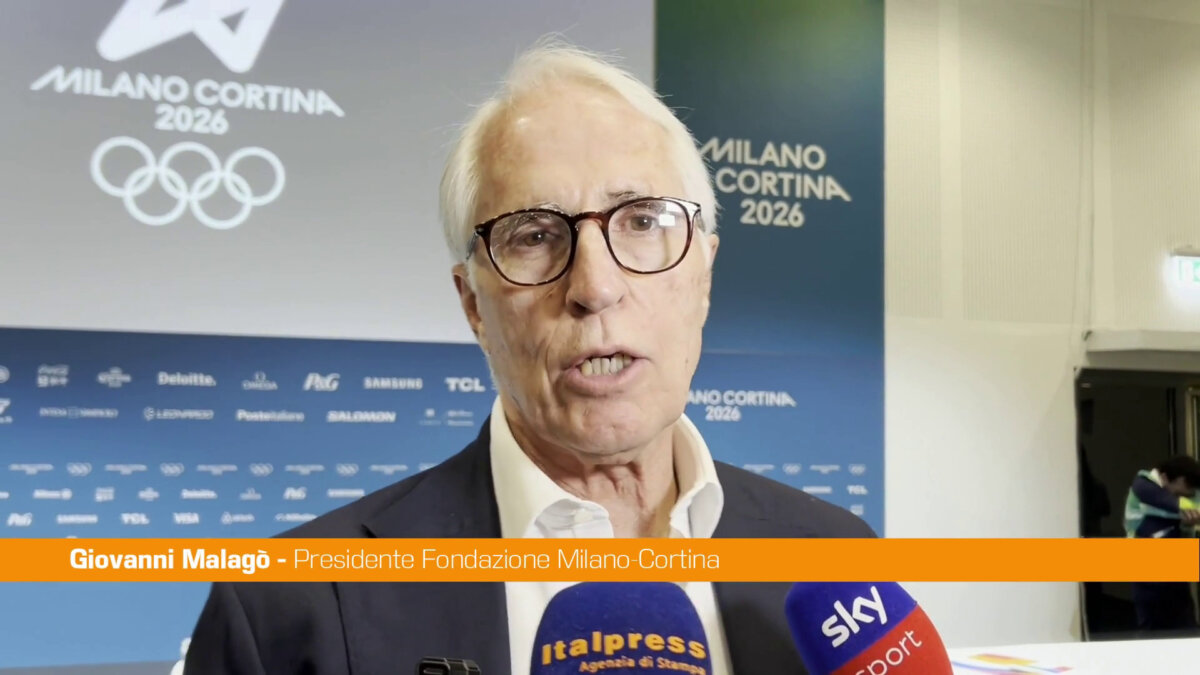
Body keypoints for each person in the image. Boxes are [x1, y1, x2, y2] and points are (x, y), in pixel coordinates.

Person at [184, 41, 873, 675]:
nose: (595, 287)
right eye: (535, 235)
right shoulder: (284, 606)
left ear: (704, 276)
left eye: (642, 221)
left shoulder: (838, 562)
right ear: (473, 305)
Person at [1124, 455, 1200, 637]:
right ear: (1165, 478)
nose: (1183, 497)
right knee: (1152, 635)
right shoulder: (1143, 486)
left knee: (1187, 634)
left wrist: (1188, 525)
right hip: (1146, 574)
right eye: (1180, 492)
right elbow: (1176, 505)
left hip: (1174, 573)